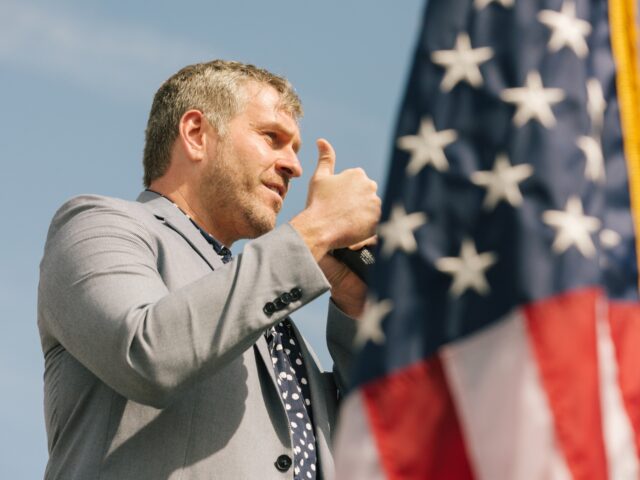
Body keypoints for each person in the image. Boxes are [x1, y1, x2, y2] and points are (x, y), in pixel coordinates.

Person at [37, 59, 380, 479]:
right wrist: (313, 233)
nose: (294, 166)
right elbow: (146, 354)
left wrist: (356, 309)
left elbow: (374, 444)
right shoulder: (97, 225)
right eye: (273, 138)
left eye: (295, 149)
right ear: (196, 134)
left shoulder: (272, 319)